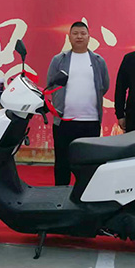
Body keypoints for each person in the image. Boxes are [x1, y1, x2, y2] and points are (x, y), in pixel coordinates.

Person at [47, 21, 110, 185]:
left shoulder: (98, 61)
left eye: (83, 33)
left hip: (90, 121)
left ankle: (85, 196)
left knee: (89, 163)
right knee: (62, 162)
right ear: (69, 37)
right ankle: (60, 194)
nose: (79, 37)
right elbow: (51, 85)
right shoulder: (59, 60)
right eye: (75, 33)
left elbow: (104, 86)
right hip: (64, 121)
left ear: (89, 37)